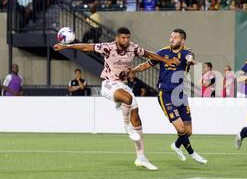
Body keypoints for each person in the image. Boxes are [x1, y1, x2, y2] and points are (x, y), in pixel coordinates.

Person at [54, 27, 180, 171]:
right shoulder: (108, 47)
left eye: (128, 38)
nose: (126, 40)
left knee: (137, 117)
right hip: (108, 84)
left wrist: (165, 59)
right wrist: (66, 46)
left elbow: (149, 54)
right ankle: (126, 126)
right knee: (127, 99)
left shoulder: (133, 48)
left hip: (123, 85)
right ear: (117, 38)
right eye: (123, 38)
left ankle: (141, 157)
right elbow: (87, 47)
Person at [133, 29, 207, 165]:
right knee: (180, 129)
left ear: (182, 40)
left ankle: (177, 145)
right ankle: (193, 153)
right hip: (165, 94)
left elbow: (189, 58)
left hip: (180, 95)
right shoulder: (162, 53)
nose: (171, 39)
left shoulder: (187, 53)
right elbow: (146, 65)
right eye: (171, 37)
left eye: (175, 37)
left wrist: (191, 61)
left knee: (188, 131)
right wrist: (132, 70)